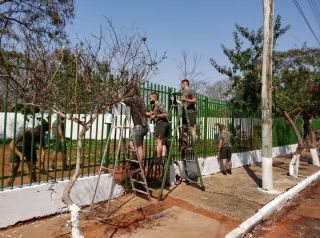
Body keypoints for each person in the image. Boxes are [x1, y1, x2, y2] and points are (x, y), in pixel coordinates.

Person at [7, 121, 49, 186]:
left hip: (30, 149)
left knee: (32, 170)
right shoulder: (24, 131)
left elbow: (43, 151)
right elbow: (11, 145)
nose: (37, 135)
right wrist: (20, 155)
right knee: (14, 168)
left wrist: (42, 166)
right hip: (18, 148)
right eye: (36, 133)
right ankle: (9, 185)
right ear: (35, 129)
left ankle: (34, 185)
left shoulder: (41, 136)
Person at [123, 86, 149, 166]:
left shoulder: (134, 98)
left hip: (139, 126)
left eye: (130, 90)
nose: (129, 91)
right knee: (135, 144)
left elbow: (123, 100)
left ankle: (138, 164)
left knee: (137, 146)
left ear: (134, 91)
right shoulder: (140, 98)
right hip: (143, 125)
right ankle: (136, 162)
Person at [146, 92, 170, 165]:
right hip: (163, 124)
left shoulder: (159, 104)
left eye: (150, 98)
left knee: (159, 142)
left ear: (154, 97)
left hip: (162, 124)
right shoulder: (154, 106)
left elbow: (165, 114)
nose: (149, 100)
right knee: (163, 143)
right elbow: (151, 114)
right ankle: (163, 159)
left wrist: (156, 116)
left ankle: (158, 159)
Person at [178, 79, 197, 150]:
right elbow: (183, 103)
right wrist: (176, 101)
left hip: (191, 112)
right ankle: (184, 144)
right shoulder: (183, 93)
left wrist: (186, 100)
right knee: (185, 128)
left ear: (185, 84)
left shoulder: (191, 91)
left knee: (192, 128)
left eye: (181, 84)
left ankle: (193, 145)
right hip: (184, 113)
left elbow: (195, 101)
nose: (180, 86)